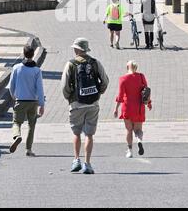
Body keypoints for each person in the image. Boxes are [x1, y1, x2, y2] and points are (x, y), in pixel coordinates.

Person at [61, 38, 109, 174]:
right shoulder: (95, 63)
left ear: (77, 49)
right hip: (93, 103)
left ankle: (76, 160)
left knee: (76, 133)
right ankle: (87, 163)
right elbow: (105, 81)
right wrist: (98, 93)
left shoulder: (70, 64)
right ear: (86, 50)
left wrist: (70, 97)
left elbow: (64, 86)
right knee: (89, 134)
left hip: (76, 103)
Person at [9, 45, 45, 157]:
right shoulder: (37, 70)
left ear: (24, 54)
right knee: (31, 125)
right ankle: (28, 149)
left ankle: (17, 136)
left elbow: (11, 86)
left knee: (16, 122)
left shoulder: (16, 68)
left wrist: (14, 97)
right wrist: (41, 104)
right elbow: (40, 88)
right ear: (33, 54)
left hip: (20, 100)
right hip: (33, 101)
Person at [114, 61, 152, 158]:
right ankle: (139, 141)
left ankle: (130, 151)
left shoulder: (123, 79)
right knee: (138, 130)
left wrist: (116, 108)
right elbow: (146, 91)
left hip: (127, 107)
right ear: (136, 67)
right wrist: (149, 103)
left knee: (129, 130)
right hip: (139, 107)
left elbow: (120, 96)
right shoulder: (141, 76)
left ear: (127, 67)